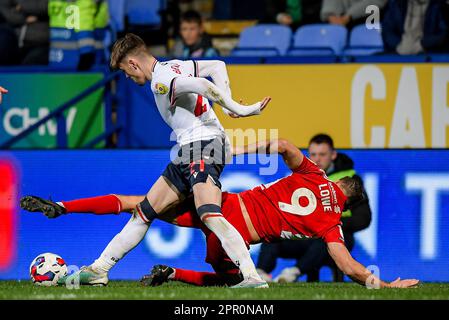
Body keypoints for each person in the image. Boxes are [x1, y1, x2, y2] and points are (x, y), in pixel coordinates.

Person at [21, 33, 271, 288]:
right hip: (189, 150)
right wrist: (228, 107)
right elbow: (217, 66)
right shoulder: (174, 65)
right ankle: (100, 269)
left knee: (208, 213)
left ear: (133, 63)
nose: (128, 78)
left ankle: (252, 277)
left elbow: (203, 86)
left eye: (126, 72)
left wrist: (239, 110)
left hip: (203, 146)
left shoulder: (160, 82)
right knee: (143, 212)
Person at [21, 138, 418, 289]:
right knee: (228, 282)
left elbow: (281, 144)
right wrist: (380, 285)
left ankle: (63, 206)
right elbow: (346, 264)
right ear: (348, 202)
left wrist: (233, 152)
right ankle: (181, 275)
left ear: (338, 180)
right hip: (232, 236)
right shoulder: (332, 222)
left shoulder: (313, 172)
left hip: (225, 204)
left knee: (143, 204)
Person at [256, 134, 371, 283]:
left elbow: (363, 219)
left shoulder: (350, 181)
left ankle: (293, 273)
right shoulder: (306, 174)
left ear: (333, 155)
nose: (317, 159)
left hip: (334, 235)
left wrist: (326, 222)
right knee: (273, 231)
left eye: (322, 154)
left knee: (323, 238)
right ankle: (260, 273)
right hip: (305, 234)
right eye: (313, 154)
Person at [382, 0, 449, 55]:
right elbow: (387, 31)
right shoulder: (396, 4)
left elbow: (443, 33)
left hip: (431, 53)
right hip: (398, 52)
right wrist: (399, 44)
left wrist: (422, 44)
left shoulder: (440, 5)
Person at [0, 0, 49, 65]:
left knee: (31, 63)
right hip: (13, 39)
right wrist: (25, 18)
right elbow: (7, 13)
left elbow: (47, 6)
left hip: (40, 42)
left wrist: (21, 7)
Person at [321, 0, 387, 28]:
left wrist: (348, 16)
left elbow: (377, 1)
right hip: (338, 23)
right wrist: (330, 14)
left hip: (372, 24)